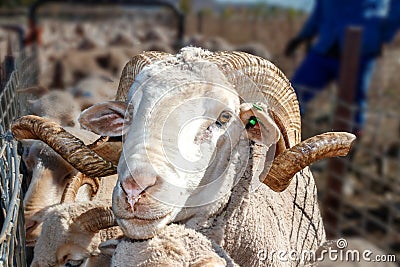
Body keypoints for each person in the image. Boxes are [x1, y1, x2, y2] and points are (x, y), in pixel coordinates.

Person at [285, 0, 400, 136]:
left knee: (353, 105)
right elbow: (321, 9)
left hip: (361, 47)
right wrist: (304, 35)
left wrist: (381, 34)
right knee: (293, 94)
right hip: (326, 46)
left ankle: (350, 147)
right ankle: (283, 139)